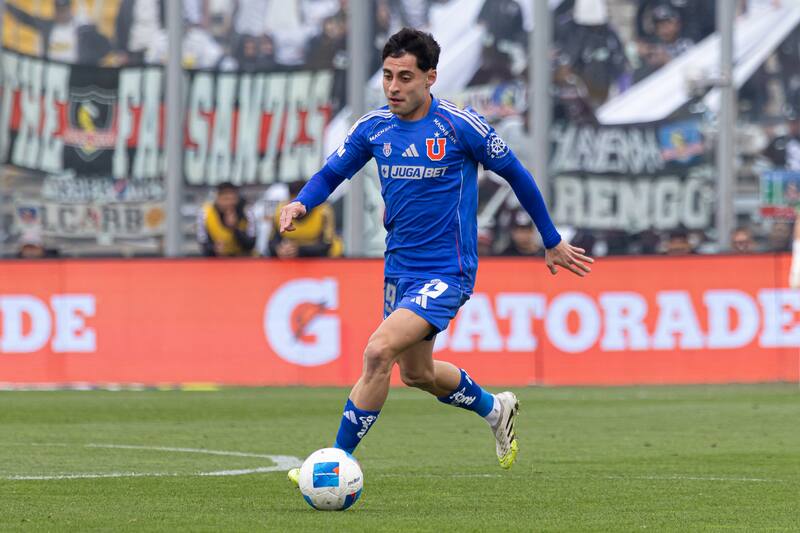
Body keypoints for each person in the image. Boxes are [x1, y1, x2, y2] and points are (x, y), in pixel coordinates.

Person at [282, 28, 593, 484]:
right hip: (399, 270)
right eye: (388, 76)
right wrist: (302, 203)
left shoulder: (459, 126)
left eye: (405, 77)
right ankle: (495, 407)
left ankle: (334, 462)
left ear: (430, 78)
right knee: (418, 374)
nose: (393, 87)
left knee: (377, 352)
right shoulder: (374, 128)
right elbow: (333, 173)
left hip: (448, 271)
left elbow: (518, 175)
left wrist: (550, 238)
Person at [197, 182, 256, 257]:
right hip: (216, 260)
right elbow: (203, 242)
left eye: (233, 199)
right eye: (225, 199)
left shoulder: (247, 211)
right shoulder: (205, 212)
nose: (229, 203)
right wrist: (213, 248)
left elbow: (250, 244)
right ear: (217, 198)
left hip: (242, 259)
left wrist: (235, 229)